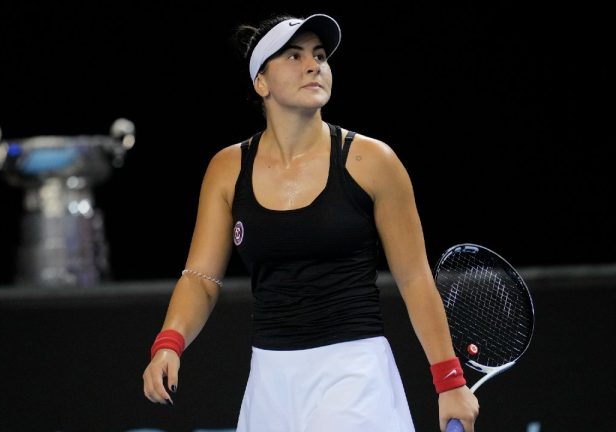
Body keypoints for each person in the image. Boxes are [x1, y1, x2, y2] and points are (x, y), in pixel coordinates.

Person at [142, 12, 479, 432]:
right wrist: (169, 344)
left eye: (319, 55)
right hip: (268, 377)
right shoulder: (226, 169)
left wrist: (449, 381)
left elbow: (414, 277)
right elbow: (200, 278)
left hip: (355, 374)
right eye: (294, 56)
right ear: (261, 83)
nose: (313, 65)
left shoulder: (373, 162)